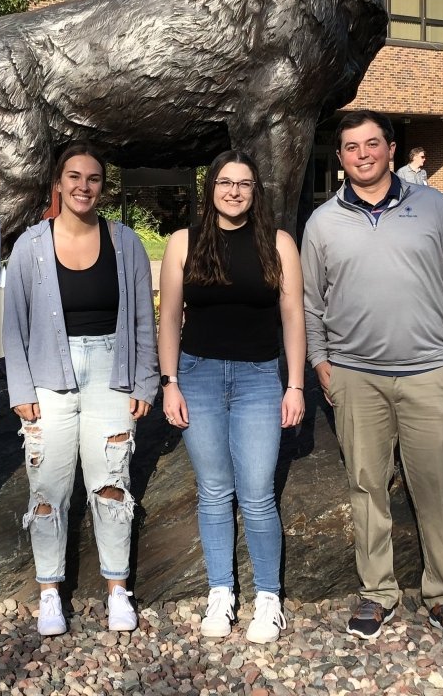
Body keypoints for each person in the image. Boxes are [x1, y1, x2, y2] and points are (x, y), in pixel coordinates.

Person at [301, 109, 443, 645]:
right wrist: (322, 366)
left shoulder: (433, 208)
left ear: (391, 148)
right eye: (352, 147)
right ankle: (377, 591)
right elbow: (313, 305)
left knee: (437, 491)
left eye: (372, 143)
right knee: (367, 489)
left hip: (430, 374)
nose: (363, 154)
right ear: (340, 158)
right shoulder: (323, 223)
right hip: (355, 379)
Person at [3, 142, 158, 637]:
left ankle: (118, 589)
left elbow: (142, 319)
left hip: (112, 372)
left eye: (93, 178)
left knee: (111, 483)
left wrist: (146, 380)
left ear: (102, 187)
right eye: (73, 176)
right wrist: (19, 386)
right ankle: (50, 591)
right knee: (46, 486)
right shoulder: (30, 244)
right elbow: (13, 323)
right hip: (49, 375)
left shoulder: (125, 242)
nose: (82, 186)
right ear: (57, 182)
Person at [158, 151, 306, 643]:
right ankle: (220, 593)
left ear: (255, 191)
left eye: (244, 183)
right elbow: (169, 318)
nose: (235, 191)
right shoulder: (184, 242)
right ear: (211, 189)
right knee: (216, 491)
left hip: (259, 380)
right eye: (225, 182)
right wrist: (170, 381)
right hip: (196, 377)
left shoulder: (279, 243)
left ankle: (268, 598)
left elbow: (293, 318)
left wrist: (295, 384)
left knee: (259, 494)